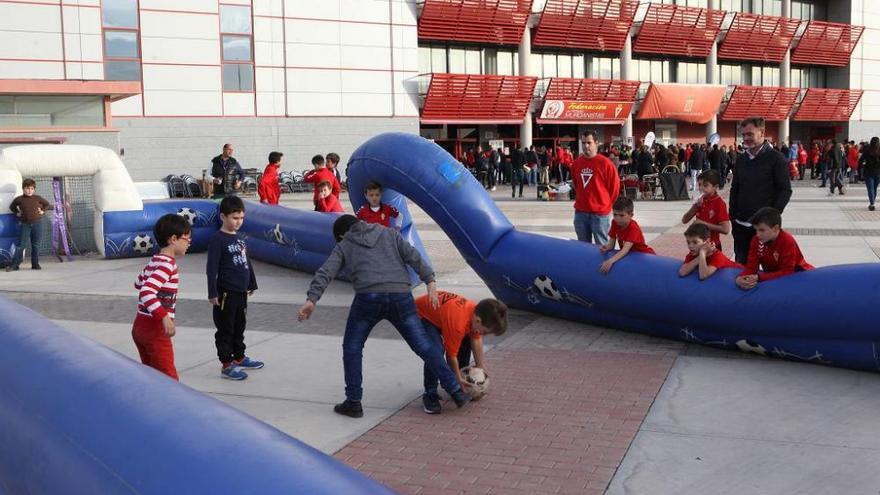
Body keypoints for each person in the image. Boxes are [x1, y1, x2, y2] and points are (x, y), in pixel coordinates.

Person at [297, 215, 472, 418]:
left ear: (343, 234)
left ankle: (354, 402)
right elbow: (413, 255)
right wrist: (429, 279)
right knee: (423, 345)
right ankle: (456, 391)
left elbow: (326, 271)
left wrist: (312, 299)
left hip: (368, 298)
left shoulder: (345, 243)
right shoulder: (389, 233)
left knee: (352, 347)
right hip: (401, 295)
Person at [415, 291, 508, 414]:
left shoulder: (475, 313)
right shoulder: (458, 323)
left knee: (466, 340)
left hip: (442, 314)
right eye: (485, 332)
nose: (483, 335)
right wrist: (457, 378)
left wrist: (481, 367)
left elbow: (476, 340)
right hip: (421, 315)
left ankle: (460, 383)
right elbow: (450, 356)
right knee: (435, 351)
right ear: (478, 321)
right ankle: (430, 393)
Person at [206, 196, 264, 380]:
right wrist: (212, 292)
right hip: (225, 293)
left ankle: (239, 357)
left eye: (241, 218)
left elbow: (247, 262)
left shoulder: (240, 239)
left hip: (241, 292)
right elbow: (211, 268)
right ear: (223, 217)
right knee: (226, 327)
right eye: (234, 218)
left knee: (240, 325)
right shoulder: (217, 239)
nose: (238, 222)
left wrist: (251, 283)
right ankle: (226, 363)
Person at [132, 214, 192, 380]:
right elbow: (146, 291)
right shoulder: (167, 265)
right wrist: (164, 317)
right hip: (155, 329)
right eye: (187, 239)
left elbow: (138, 283)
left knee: (152, 377)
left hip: (140, 327)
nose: (189, 243)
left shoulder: (155, 260)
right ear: (173, 239)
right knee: (169, 380)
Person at [728, 117, 792, 264]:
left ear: (762, 132)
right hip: (741, 225)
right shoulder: (741, 160)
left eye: (749, 134)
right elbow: (735, 188)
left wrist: (771, 218)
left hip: (765, 229)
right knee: (742, 267)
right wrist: (732, 215)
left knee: (770, 268)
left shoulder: (777, 158)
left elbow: (785, 190)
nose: (746, 138)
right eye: (743, 135)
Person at [735, 207, 813, 290]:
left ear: (775, 229)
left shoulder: (787, 241)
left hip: (798, 273)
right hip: (773, 275)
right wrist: (740, 278)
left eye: (762, 230)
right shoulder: (756, 240)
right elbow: (751, 267)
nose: (758, 234)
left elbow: (787, 272)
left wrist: (759, 278)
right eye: (756, 230)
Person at [566, 131, 620, 245]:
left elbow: (614, 189)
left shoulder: (606, 164)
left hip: (600, 214)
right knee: (583, 247)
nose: (586, 146)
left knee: (602, 246)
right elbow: (576, 185)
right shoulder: (576, 164)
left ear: (596, 143)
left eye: (589, 143)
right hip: (581, 212)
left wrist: (605, 205)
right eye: (583, 143)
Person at [598, 197, 655, 275]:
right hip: (630, 255)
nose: (617, 218)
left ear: (631, 215)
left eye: (621, 215)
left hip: (643, 254)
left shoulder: (633, 228)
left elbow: (625, 250)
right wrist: (606, 247)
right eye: (615, 214)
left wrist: (610, 261)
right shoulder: (614, 223)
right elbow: (611, 245)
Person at [7, 178, 52, 271]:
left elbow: (47, 204)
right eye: (27, 188)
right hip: (25, 225)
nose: (29, 190)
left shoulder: (37, 198)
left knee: (35, 245)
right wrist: (17, 213)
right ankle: (15, 265)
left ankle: (35, 264)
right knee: (21, 245)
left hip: (37, 224)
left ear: (34, 189)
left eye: (32, 188)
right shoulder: (19, 199)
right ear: (23, 189)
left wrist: (42, 211)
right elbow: (12, 207)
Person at [681, 170, 731, 252]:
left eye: (705, 185)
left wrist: (704, 224)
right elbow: (684, 220)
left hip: (712, 246)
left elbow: (726, 229)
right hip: (697, 246)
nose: (701, 188)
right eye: (699, 185)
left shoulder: (719, 204)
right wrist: (695, 206)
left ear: (715, 187)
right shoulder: (700, 201)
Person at [860, 136, 880, 211]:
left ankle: (872, 203)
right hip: (878, 173)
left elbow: (861, 161)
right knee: (874, 188)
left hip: (868, 172)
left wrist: (862, 166)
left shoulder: (867, 151)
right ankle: (872, 202)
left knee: (870, 189)